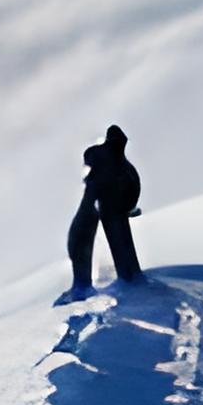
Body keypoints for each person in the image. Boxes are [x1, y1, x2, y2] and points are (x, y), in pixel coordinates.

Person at [64, 123, 144, 292]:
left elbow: (129, 188)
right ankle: (127, 278)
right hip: (109, 209)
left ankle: (125, 279)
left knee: (112, 244)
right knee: (117, 245)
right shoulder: (121, 165)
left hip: (109, 209)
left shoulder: (117, 165)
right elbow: (131, 187)